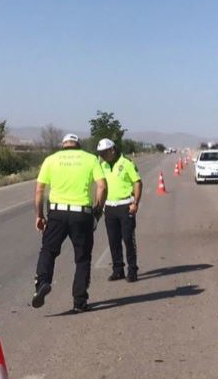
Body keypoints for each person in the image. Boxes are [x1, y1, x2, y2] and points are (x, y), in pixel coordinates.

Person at [32, 134, 106, 312]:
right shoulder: (90, 159)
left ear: (63, 145)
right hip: (81, 214)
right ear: (78, 146)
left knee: (48, 250)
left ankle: (43, 282)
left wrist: (40, 215)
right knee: (82, 258)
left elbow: (39, 190)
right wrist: (97, 211)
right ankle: (79, 301)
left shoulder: (51, 160)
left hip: (57, 213)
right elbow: (102, 186)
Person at [96, 138, 142, 282]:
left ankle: (132, 270)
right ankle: (118, 270)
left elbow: (137, 182)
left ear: (113, 150)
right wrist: (101, 206)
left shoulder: (126, 163)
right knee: (113, 240)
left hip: (125, 206)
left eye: (105, 152)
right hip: (109, 207)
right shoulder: (102, 166)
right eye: (100, 153)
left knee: (128, 239)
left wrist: (136, 203)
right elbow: (101, 187)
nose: (102, 155)